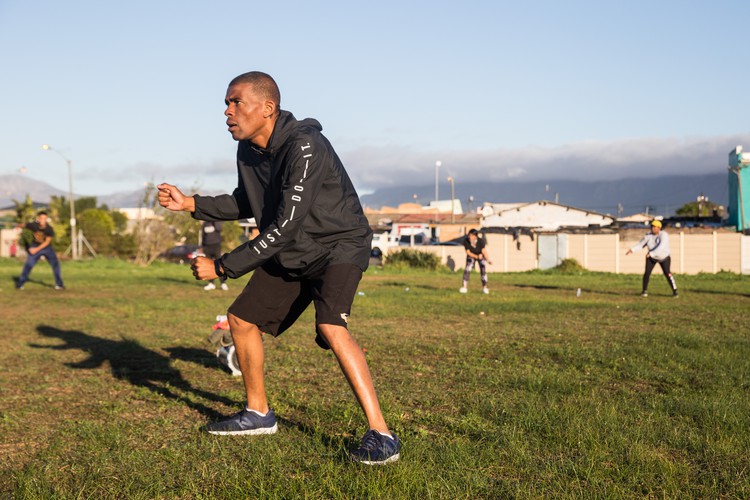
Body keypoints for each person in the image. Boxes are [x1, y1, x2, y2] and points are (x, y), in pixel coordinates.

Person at [157, 71, 400, 465]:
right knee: (241, 319)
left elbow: (285, 224)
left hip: (338, 244)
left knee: (330, 326)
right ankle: (258, 414)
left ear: (267, 107)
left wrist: (222, 266)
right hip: (293, 248)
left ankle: (382, 433)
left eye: (236, 102)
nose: (227, 111)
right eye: (226, 103)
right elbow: (247, 202)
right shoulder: (248, 151)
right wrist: (190, 204)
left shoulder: (306, 145)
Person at [626, 220, 678, 297]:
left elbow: (661, 247)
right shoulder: (648, 236)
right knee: (647, 273)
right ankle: (644, 291)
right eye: (652, 226)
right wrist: (632, 250)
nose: (653, 228)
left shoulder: (664, 235)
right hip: (651, 258)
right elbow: (640, 245)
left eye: (655, 227)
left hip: (664, 257)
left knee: (667, 273)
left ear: (659, 228)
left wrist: (651, 253)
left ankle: (675, 291)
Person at [16, 211, 65, 290]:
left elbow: (47, 242)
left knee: (56, 264)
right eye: (41, 218)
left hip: (46, 248)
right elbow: (25, 225)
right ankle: (20, 284)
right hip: (35, 245)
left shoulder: (49, 229)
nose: (43, 220)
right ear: (38, 219)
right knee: (28, 265)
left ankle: (59, 284)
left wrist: (35, 250)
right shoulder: (33, 225)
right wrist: (18, 226)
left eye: (44, 218)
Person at [460, 229, 492, 294]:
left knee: (483, 270)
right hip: (471, 255)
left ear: (475, 236)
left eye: (471, 235)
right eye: (469, 235)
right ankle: (464, 287)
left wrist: (488, 259)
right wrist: (476, 257)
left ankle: (485, 287)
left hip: (480, 255)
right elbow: (468, 252)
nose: (470, 237)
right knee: (467, 269)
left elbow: (484, 251)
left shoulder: (481, 241)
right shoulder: (466, 241)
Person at [200, 221, 228, 291]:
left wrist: (214, 221)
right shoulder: (205, 224)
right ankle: (211, 283)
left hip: (216, 246)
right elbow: (203, 236)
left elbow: (219, 228)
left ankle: (223, 283)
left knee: (219, 265)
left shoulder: (216, 222)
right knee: (209, 266)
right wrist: (202, 247)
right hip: (207, 247)